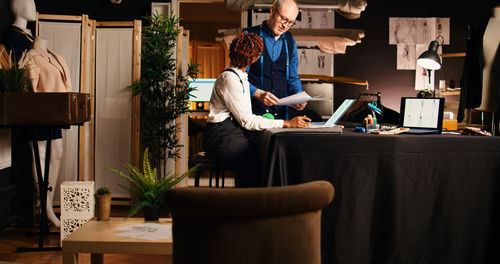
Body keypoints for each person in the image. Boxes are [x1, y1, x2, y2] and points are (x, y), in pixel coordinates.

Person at [203, 32, 310, 187]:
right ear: (253, 58)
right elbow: (247, 121)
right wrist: (287, 123)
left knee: (262, 154)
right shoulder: (230, 79)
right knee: (254, 163)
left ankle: (257, 204)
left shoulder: (239, 76)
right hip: (221, 135)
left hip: (229, 131)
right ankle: (253, 206)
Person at [244, 0, 306, 120]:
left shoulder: (290, 40)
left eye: (290, 22)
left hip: (282, 116)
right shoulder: (249, 36)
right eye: (283, 19)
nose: (285, 25)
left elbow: (293, 77)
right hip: (252, 114)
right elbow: (238, 78)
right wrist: (258, 93)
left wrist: (299, 96)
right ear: (272, 10)